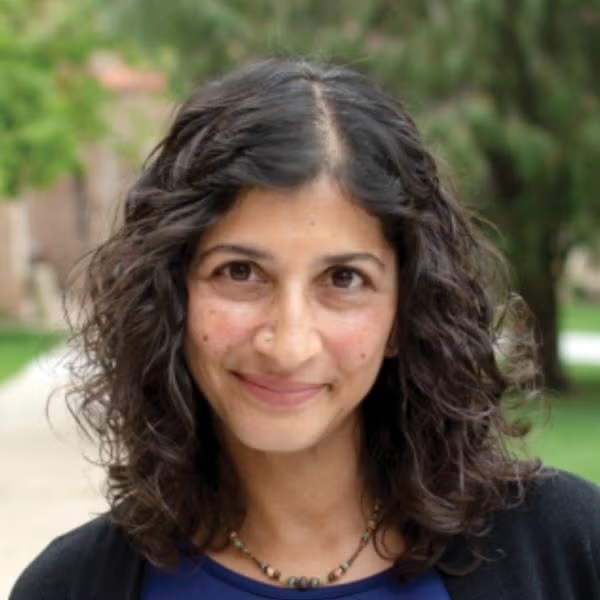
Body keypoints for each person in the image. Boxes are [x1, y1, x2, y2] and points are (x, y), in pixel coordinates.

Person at [10, 58, 600, 600]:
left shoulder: (569, 548)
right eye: (240, 272)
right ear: (170, 295)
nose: (289, 344)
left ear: (405, 312)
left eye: (344, 279)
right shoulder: (69, 588)